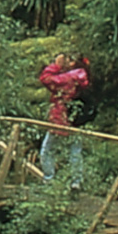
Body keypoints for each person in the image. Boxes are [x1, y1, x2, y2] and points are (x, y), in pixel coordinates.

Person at [37, 52, 90, 184]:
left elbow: (45, 78)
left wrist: (55, 65)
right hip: (77, 119)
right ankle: (76, 182)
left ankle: (49, 180)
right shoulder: (82, 77)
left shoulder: (68, 78)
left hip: (61, 117)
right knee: (75, 152)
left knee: (47, 150)